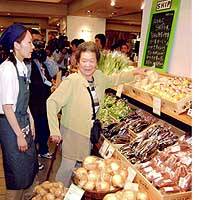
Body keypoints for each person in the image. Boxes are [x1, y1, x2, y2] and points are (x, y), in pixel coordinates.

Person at [47, 41, 145, 187]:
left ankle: (73, 195)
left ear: (97, 62)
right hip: (73, 133)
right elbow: (52, 102)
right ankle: (58, 193)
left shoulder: (98, 76)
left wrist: (134, 73)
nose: (88, 65)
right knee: (67, 169)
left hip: (89, 133)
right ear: (77, 62)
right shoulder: (72, 81)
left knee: (82, 171)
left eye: (91, 61)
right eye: (84, 61)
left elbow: (115, 79)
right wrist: (54, 130)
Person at [0, 23, 38, 200]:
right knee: (16, 171)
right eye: (29, 43)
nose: (33, 47)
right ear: (16, 45)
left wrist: (31, 120)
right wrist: (19, 135)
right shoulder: (7, 69)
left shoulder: (22, 65)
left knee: (28, 166)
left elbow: (23, 99)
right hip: (10, 124)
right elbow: (7, 107)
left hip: (22, 120)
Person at [29, 29, 53, 160]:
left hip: (45, 98)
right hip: (33, 100)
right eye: (34, 42)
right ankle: (34, 158)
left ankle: (43, 150)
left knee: (45, 126)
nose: (36, 46)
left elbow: (54, 70)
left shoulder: (42, 58)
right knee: (35, 129)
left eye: (40, 42)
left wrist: (45, 58)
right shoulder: (27, 60)